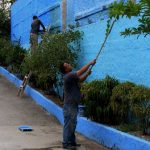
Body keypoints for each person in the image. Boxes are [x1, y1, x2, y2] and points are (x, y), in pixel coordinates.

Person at [59, 60, 96, 149]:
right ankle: (66, 143)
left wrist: (87, 74)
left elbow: (80, 79)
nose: (69, 64)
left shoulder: (70, 76)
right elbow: (80, 72)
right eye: (67, 65)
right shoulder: (69, 76)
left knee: (73, 123)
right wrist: (90, 63)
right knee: (69, 124)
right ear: (66, 70)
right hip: (69, 105)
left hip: (72, 104)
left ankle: (71, 142)